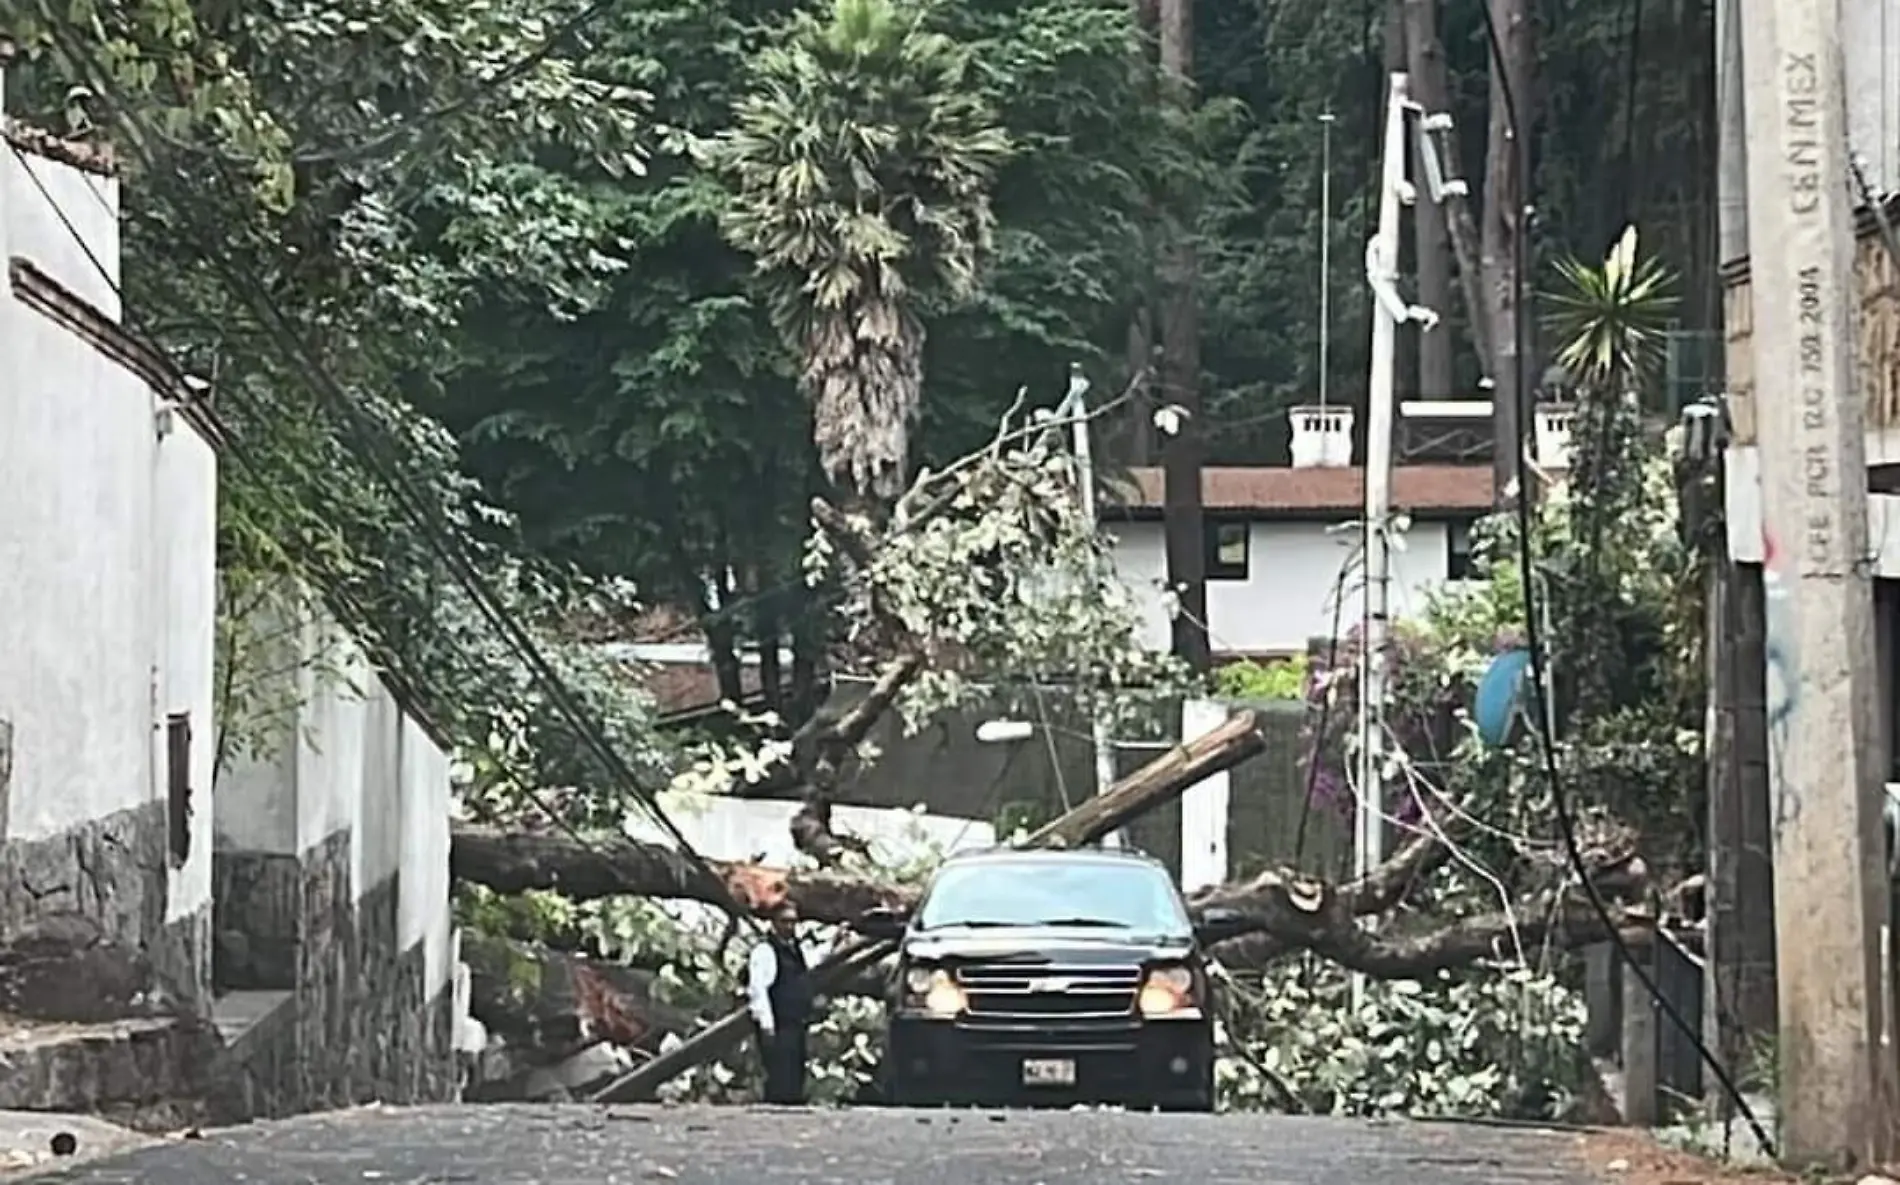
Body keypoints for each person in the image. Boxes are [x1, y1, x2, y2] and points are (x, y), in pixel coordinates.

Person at [746, 900, 819, 1105]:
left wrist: (836, 942)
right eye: (785, 921)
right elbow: (758, 989)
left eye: (793, 922)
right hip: (779, 1024)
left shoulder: (795, 949)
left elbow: (813, 959)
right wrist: (767, 1025)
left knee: (795, 1073)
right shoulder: (765, 951)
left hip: (797, 1023)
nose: (789, 926)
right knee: (779, 1075)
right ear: (774, 922)